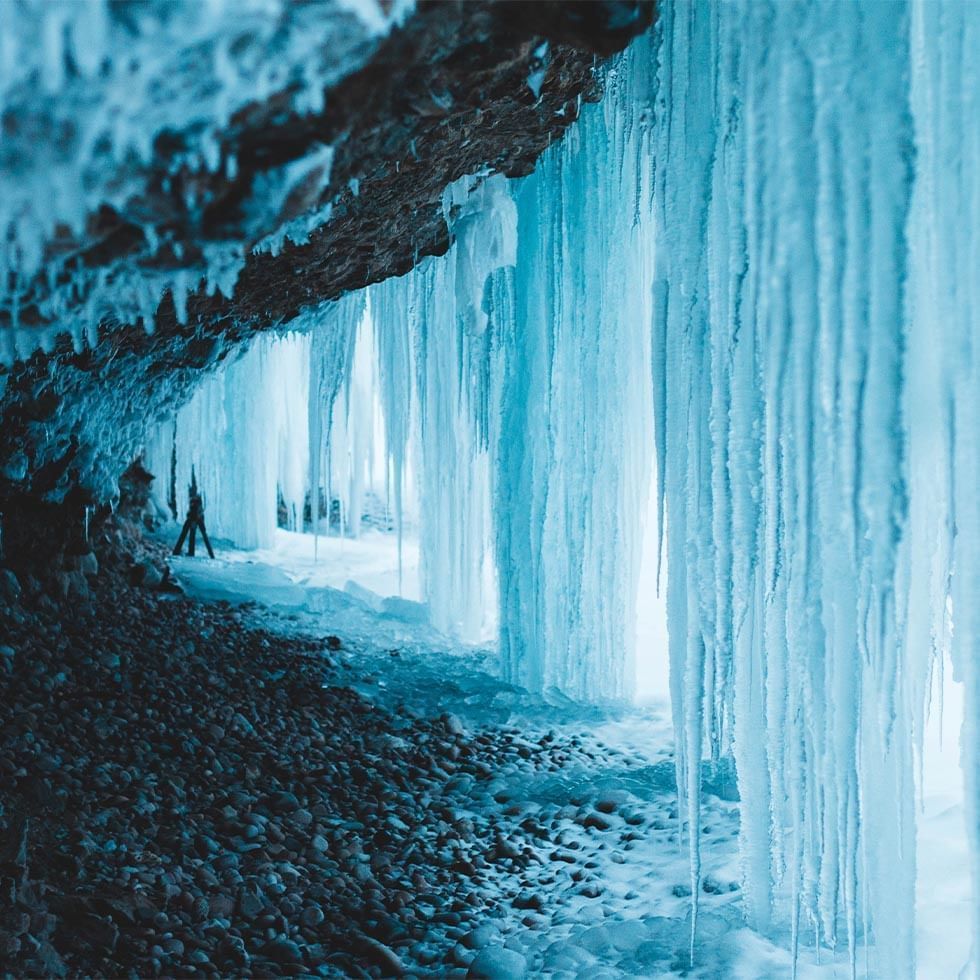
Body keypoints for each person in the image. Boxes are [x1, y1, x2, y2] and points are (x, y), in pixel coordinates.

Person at [173, 474, 215, 559]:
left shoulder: (196, 498)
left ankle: (180, 552)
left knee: (190, 532)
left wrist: (196, 514)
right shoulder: (196, 498)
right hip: (194, 515)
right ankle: (209, 555)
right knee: (195, 533)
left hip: (195, 515)